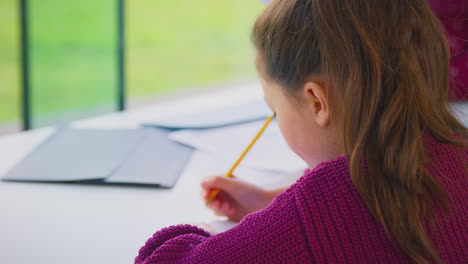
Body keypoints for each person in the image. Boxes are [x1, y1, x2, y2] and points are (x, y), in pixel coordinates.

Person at [135, 0, 467, 263]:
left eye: (275, 110)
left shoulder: (314, 218)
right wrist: (273, 203)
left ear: (317, 102)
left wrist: (216, 230)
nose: (276, 119)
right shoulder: (456, 154)